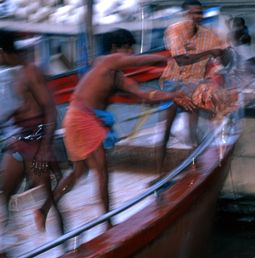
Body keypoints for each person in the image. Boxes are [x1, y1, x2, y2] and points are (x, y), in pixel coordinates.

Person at [34, 28, 193, 232]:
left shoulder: (117, 76)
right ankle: (107, 222)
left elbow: (145, 95)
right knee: (102, 171)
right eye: (128, 50)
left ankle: (44, 209)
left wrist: (173, 95)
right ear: (116, 49)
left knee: (80, 172)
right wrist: (172, 55)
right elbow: (136, 62)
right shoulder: (105, 61)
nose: (131, 54)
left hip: (79, 118)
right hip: (82, 119)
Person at [0, 30, 62, 254]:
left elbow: (51, 111)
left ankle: (65, 245)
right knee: (4, 193)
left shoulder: (31, 72)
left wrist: (45, 148)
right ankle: (6, 239)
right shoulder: (10, 75)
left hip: (36, 144)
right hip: (19, 141)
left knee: (51, 200)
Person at [156, 0, 229, 175]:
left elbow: (224, 58)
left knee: (193, 129)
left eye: (199, 12)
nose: (197, 16)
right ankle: (160, 172)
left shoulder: (210, 34)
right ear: (185, 14)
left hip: (196, 83)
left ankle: (194, 167)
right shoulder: (175, 30)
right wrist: (210, 52)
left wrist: (224, 52)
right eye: (193, 13)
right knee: (166, 129)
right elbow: (181, 60)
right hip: (174, 83)